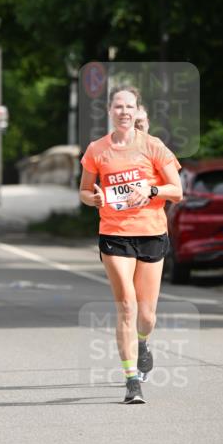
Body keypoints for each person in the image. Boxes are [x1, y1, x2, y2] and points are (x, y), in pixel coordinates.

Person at [79, 85, 182, 404]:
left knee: (147, 315)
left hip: (151, 233)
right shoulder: (97, 149)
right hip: (114, 232)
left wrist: (151, 191)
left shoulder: (153, 146)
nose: (124, 111)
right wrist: (92, 198)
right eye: (118, 106)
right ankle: (131, 380)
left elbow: (176, 191)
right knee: (126, 304)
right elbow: (83, 191)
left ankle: (143, 343)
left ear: (137, 112)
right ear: (109, 111)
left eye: (130, 107)